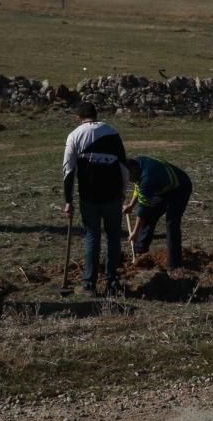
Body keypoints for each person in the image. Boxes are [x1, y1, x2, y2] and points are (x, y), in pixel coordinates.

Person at [62, 102, 128, 296]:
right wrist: (123, 191)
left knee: (92, 237)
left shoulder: (75, 135)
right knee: (114, 237)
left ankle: (89, 284)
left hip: (88, 196)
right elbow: (123, 165)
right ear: (95, 114)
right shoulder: (112, 132)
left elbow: (68, 170)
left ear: (78, 117)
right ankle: (112, 281)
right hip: (112, 195)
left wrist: (68, 200)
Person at [124, 156, 193, 272]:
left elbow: (143, 209)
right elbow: (138, 186)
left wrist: (135, 232)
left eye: (128, 176)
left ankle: (174, 264)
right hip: (162, 187)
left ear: (133, 169)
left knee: (172, 223)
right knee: (150, 217)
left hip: (180, 187)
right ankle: (140, 253)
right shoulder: (137, 166)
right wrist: (131, 205)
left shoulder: (147, 177)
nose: (128, 180)